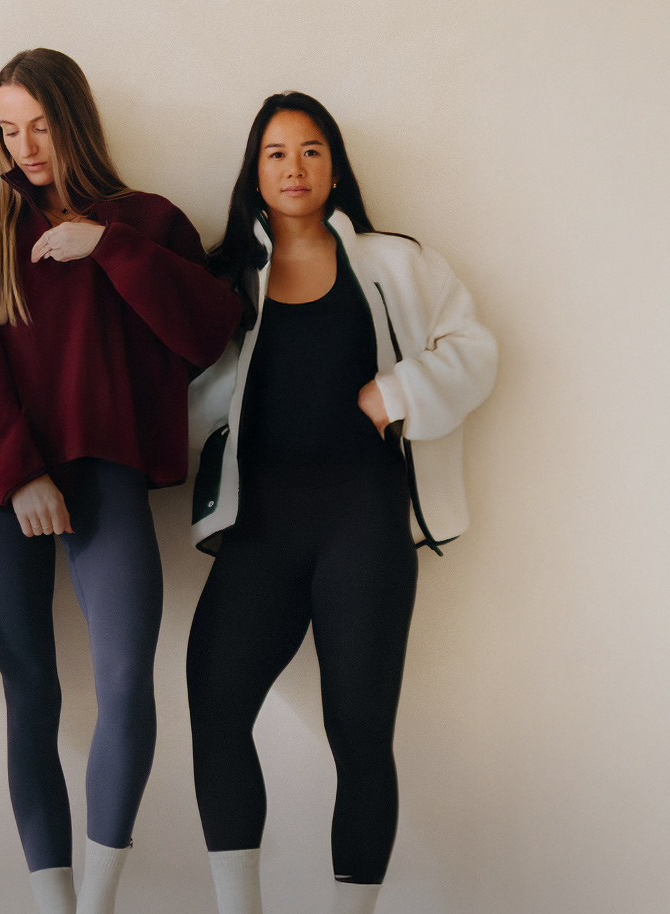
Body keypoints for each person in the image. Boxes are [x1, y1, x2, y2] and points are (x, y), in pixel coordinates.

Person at [0, 48, 243, 914]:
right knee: (31, 690)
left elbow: (209, 331)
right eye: (7, 128)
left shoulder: (148, 223)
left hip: (107, 477)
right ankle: (54, 902)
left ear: (74, 121)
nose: (25, 146)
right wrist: (19, 473)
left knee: (124, 681)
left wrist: (111, 248)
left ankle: (99, 900)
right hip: (4, 490)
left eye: (39, 124)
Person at [182, 92, 498, 914]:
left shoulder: (392, 263)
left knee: (358, 735)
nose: (295, 168)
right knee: (214, 710)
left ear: (335, 167)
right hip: (261, 531)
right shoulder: (225, 282)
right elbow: (182, 390)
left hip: (362, 523)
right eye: (277, 153)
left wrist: (395, 391)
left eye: (312, 150)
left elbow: (473, 348)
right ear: (254, 170)